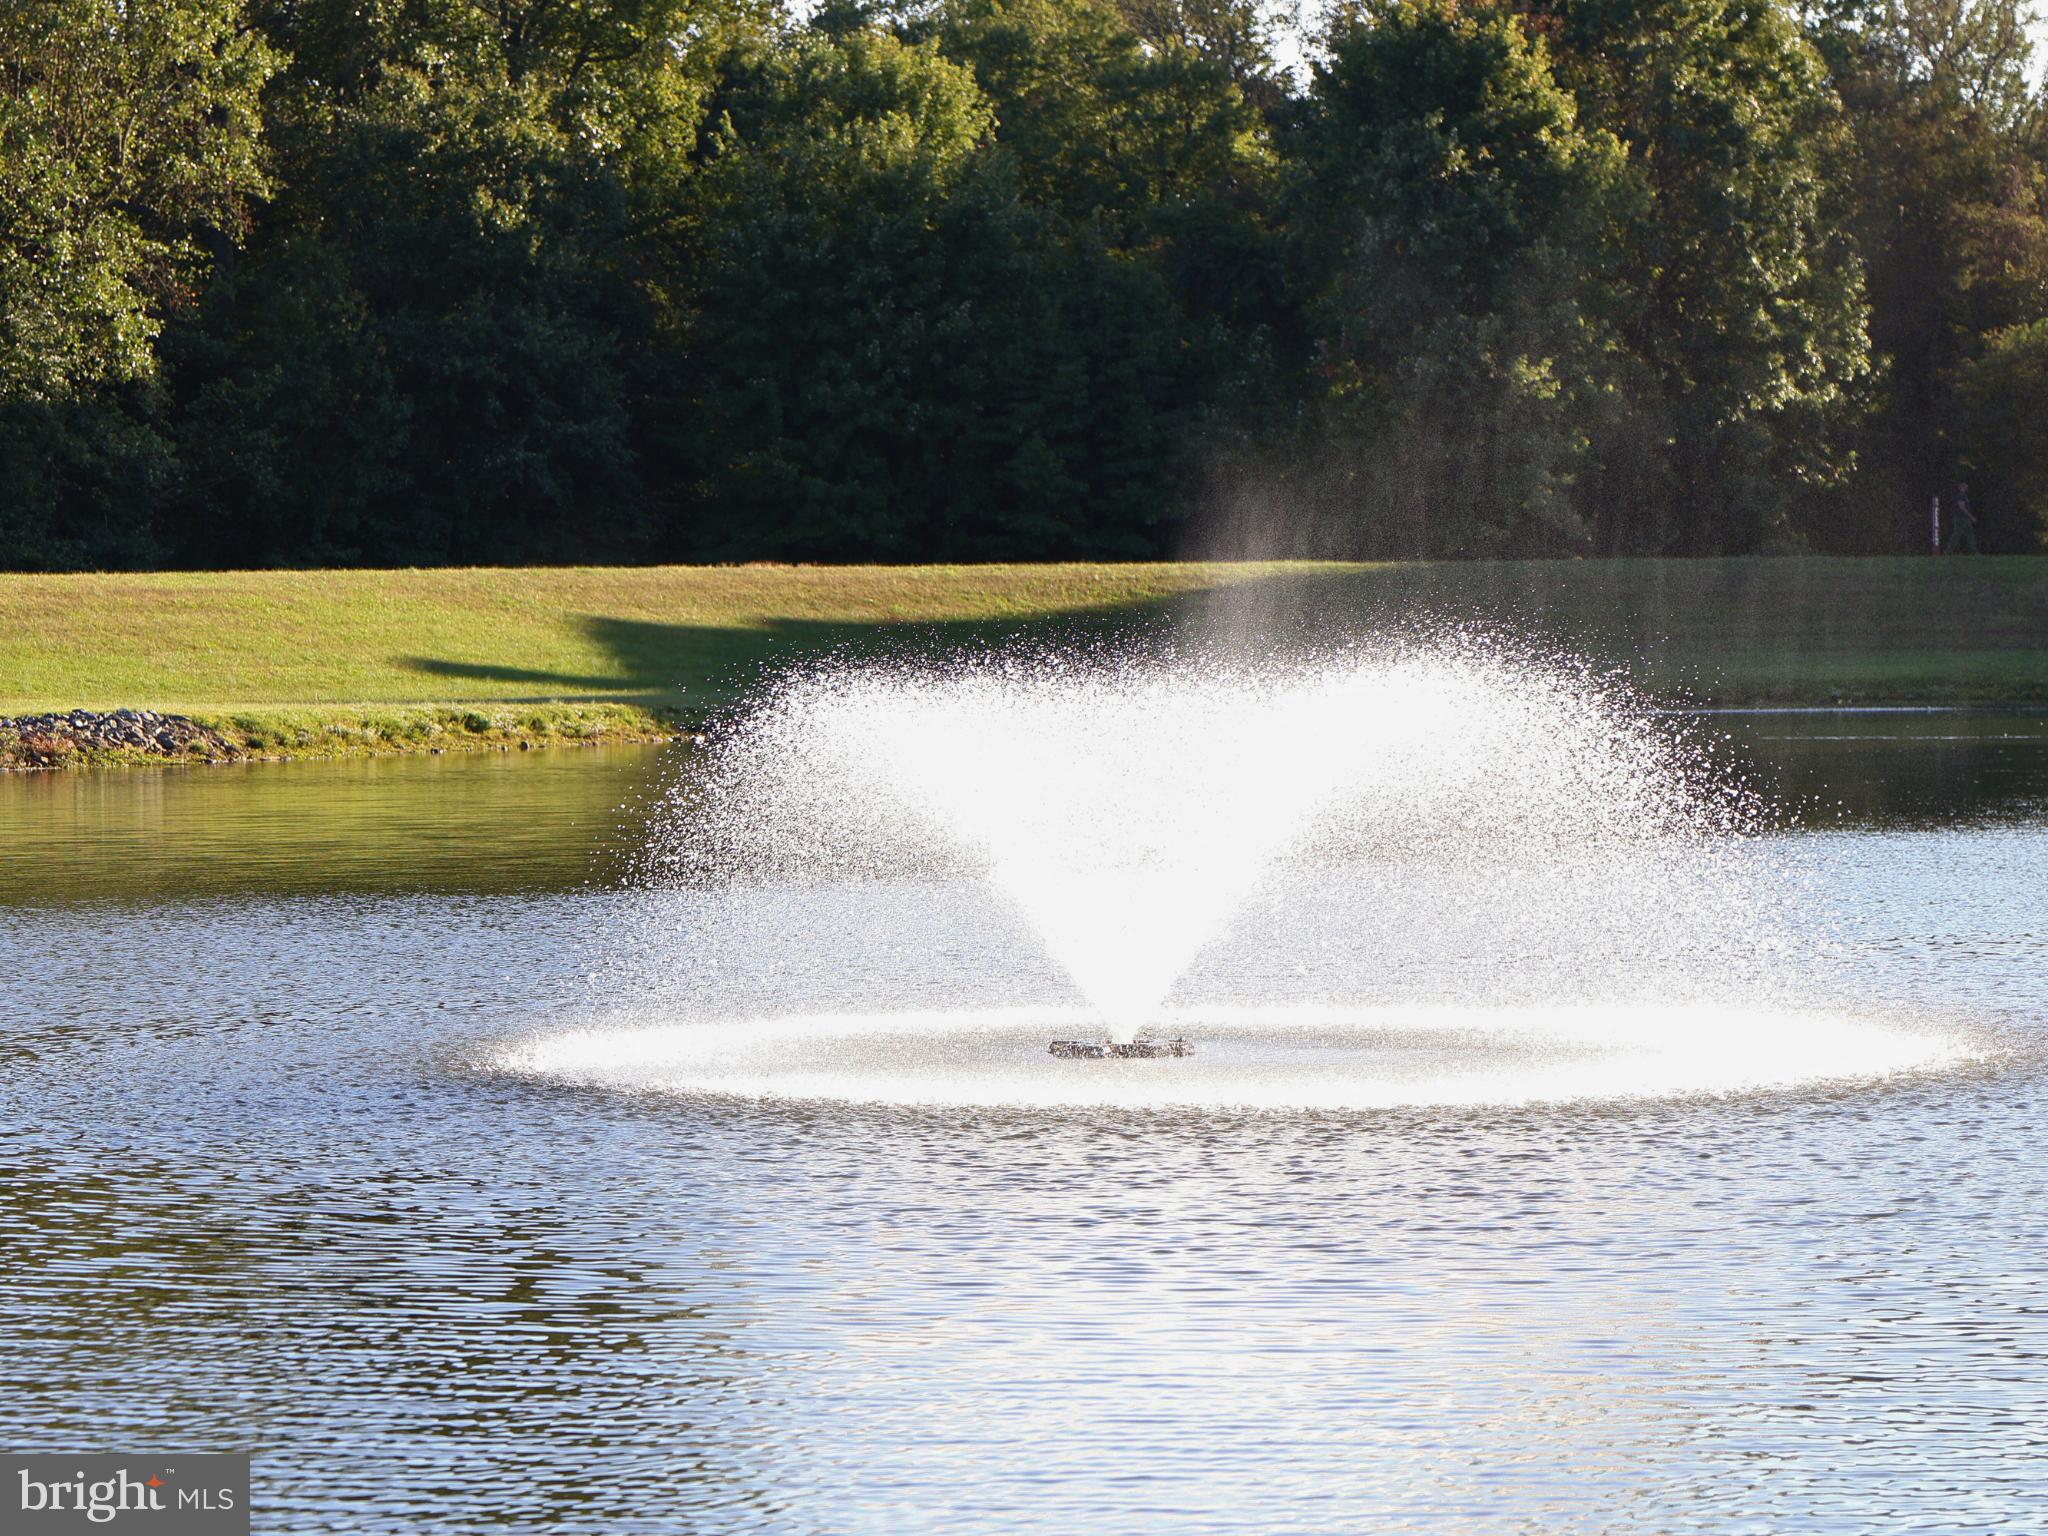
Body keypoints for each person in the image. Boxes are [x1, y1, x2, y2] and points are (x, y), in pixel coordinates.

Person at [1944, 481, 1980, 554]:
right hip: (1961, 518)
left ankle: (1974, 551)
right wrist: (1971, 517)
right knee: (1957, 535)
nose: (1967, 488)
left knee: (1969, 535)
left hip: (1964, 519)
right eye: (1965, 487)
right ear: (1961, 488)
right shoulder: (1960, 496)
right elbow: (1962, 507)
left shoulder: (1964, 496)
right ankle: (1948, 551)